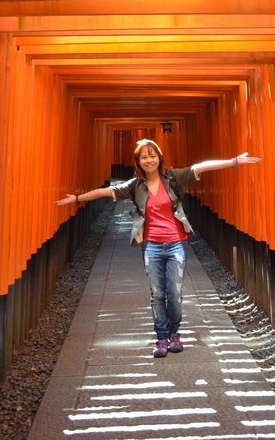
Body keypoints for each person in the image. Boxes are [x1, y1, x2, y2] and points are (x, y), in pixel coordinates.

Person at [56, 139, 261, 357]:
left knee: (174, 293)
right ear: (138, 162)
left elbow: (201, 167)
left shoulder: (173, 178)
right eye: (144, 157)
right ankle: (161, 337)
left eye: (152, 155)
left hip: (176, 244)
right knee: (157, 294)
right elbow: (104, 192)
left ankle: (175, 333)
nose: (149, 160)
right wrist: (77, 198)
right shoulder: (134, 186)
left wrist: (234, 162)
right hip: (152, 246)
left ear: (159, 157)